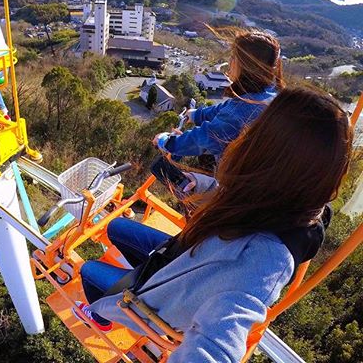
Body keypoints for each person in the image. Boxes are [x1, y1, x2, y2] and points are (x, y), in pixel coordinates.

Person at [73, 86, 351, 363]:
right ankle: (127, 283)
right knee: (115, 228)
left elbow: (217, 345)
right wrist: (202, 185)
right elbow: (248, 199)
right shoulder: (290, 200)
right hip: (180, 261)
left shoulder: (268, 258)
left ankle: (99, 317)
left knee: (88, 270)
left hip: (161, 304)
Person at [151, 30, 284, 196]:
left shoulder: (241, 112)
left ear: (244, 65)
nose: (230, 62)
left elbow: (203, 138)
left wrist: (165, 141)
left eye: (233, 58)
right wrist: (195, 115)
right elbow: (225, 109)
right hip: (261, 183)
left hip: (241, 195)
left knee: (161, 171)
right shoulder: (269, 95)